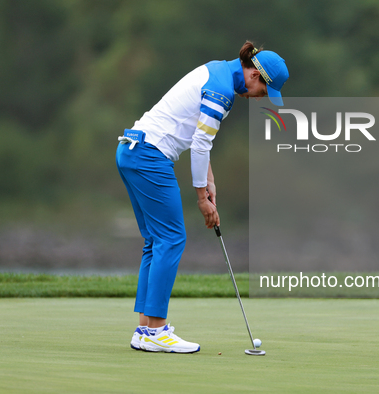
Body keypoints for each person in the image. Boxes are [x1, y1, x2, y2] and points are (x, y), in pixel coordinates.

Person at [116, 41, 289, 353]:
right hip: (148, 157)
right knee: (171, 238)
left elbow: (199, 139)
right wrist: (201, 198)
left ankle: (145, 330)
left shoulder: (218, 71)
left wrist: (208, 181)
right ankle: (155, 331)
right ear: (254, 76)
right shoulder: (222, 92)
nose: (260, 98)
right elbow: (199, 144)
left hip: (132, 151)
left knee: (156, 241)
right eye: (264, 91)